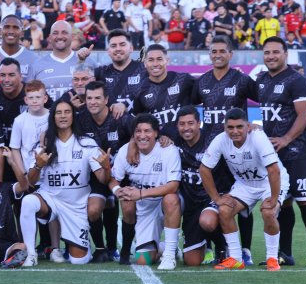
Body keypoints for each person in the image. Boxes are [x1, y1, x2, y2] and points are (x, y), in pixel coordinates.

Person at [20, 97, 112, 267]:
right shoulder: (44, 146)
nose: (63, 116)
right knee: (28, 201)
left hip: (77, 206)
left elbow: (103, 179)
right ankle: (31, 254)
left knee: (79, 261)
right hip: (51, 201)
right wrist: (38, 166)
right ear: (53, 117)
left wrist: (106, 168)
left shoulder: (86, 144)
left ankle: (75, 242)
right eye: (58, 113)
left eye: (67, 112)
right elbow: (30, 182)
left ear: (73, 117)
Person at [257, 37, 306, 268]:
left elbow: (304, 115)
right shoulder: (262, 80)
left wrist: (286, 138)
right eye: (267, 52)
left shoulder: (298, 81)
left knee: (305, 200)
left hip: (300, 151)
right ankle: (285, 253)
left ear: (285, 54)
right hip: (275, 152)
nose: (271, 56)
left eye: (276, 52)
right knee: (283, 202)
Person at [200, 109, 290, 271]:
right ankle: (235, 258)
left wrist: (274, 199)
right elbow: (204, 169)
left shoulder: (257, 137)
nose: (235, 131)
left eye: (239, 127)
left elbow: (274, 170)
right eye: (230, 127)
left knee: (268, 212)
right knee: (224, 210)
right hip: (245, 185)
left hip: (270, 183)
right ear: (224, 127)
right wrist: (217, 198)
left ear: (248, 126)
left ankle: (272, 258)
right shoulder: (220, 140)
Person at [108, 114, 182, 267]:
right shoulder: (125, 151)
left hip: (164, 204)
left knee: (171, 198)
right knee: (144, 261)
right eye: (138, 131)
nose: (142, 136)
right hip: (144, 209)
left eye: (147, 131)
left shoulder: (168, 150)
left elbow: (173, 186)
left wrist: (141, 194)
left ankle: (169, 255)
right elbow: (114, 179)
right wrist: (116, 190)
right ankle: (165, 248)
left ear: (156, 133)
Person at [74, 81, 134, 262]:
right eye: (89, 98)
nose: (92, 102)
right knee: (93, 210)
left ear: (106, 99)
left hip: (123, 174)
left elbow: (142, 131)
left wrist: (132, 144)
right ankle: (100, 249)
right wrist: (47, 133)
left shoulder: (121, 117)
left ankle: (118, 249)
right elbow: (60, 127)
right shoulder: (81, 119)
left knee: (126, 207)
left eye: (97, 98)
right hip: (97, 174)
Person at [170, 106, 230, 266]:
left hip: (212, 198)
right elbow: (146, 133)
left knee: (208, 221)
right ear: (177, 126)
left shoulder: (213, 141)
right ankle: (198, 242)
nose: (186, 128)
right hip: (190, 203)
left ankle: (222, 246)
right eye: (182, 124)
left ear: (199, 123)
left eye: (190, 123)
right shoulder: (172, 138)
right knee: (192, 261)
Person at [192, 35, 258, 134]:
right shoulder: (202, 81)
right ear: (209, 55)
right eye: (214, 52)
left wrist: (259, 125)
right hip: (209, 144)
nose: (218, 55)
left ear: (231, 54)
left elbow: (267, 100)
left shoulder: (242, 79)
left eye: (222, 51)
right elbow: (188, 105)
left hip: (236, 142)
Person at [131, 44, 196, 139]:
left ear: (167, 61)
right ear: (145, 63)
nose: (155, 64)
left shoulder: (183, 80)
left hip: (186, 140)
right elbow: (139, 120)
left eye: (159, 59)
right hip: (159, 144)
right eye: (151, 60)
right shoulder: (140, 89)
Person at [26, 20, 90, 101]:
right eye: (55, 33)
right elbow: (29, 98)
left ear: (72, 36)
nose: (59, 36)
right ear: (49, 38)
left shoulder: (87, 61)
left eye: (64, 32)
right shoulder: (37, 65)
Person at [94, 30, 147, 117]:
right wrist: (81, 60)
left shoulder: (144, 70)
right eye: (113, 46)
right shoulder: (100, 73)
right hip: (110, 128)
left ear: (131, 48)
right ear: (108, 50)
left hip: (139, 128)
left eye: (122, 44)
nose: (118, 49)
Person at [7, 80, 49, 187]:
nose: (34, 101)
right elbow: (15, 149)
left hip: (51, 175)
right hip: (29, 175)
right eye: (31, 98)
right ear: (26, 100)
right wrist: (23, 173)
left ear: (45, 98)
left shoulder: (52, 117)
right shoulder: (19, 120)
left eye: (38, 97)